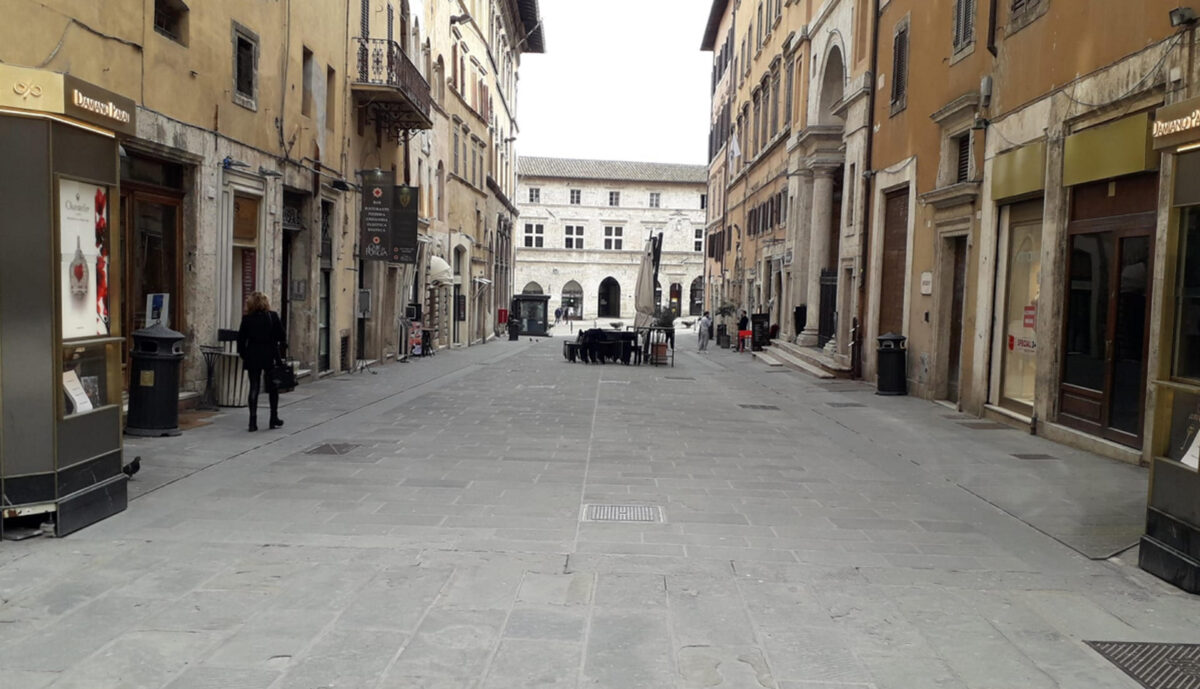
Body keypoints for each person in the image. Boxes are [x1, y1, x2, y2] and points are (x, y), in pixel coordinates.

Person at [237, 291, 286, 432]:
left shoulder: (247, 319)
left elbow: (241, 341)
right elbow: (281, 336)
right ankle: (273, 418)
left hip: (252, 354)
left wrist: (245, 355)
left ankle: (252, 422)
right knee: (273, 387)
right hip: (270, 354)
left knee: (254, 387)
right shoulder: (272, 316)